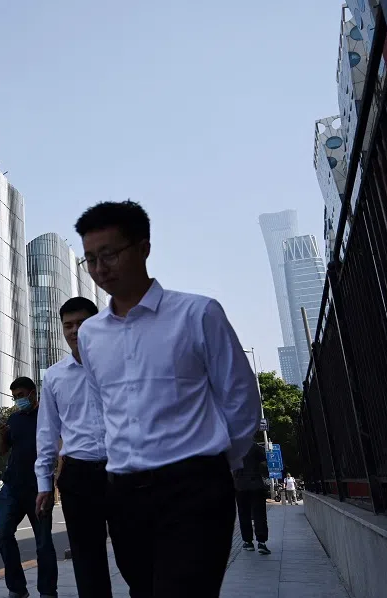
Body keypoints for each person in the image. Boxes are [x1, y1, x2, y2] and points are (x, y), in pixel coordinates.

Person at [74, 201, 260, 597]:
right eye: (90, 259)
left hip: (194, 490)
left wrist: (213, 463)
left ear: (143, 248)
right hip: (124, 495)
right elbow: (100, 407)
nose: (100, 268)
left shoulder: (197, 314)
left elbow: (241, 398)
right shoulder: (91, 335)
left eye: (109, 254)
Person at [35, 297, 112, 597]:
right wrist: (44, 482)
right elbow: (47, 433)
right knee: (87, 561)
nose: (74, 330)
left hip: (122, 471)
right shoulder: (54, 376)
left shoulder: (118, 365)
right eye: (68, 325)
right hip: (78, 477)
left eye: (81, 323)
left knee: (136, 554)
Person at [0, 376, 58, 598]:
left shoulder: (47, 416)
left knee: (43, 543)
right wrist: (2, 435)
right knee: (3, 533)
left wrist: (53, 483)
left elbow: (58, 447)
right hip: (12, 487)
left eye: (21, 396)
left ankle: (48, 592)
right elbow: (3, 450)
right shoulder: (14, 419)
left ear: (33, 393)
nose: (18, 401)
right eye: (14, 398)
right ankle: (17, 588)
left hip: (38, 488)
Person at [234, 440, 271, 555]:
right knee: (259, 513)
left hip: (240, 486)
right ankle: (261, 542)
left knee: (243, 514)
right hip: (256, 485)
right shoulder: (256, 447)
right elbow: (265, 465)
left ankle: (248, 542)